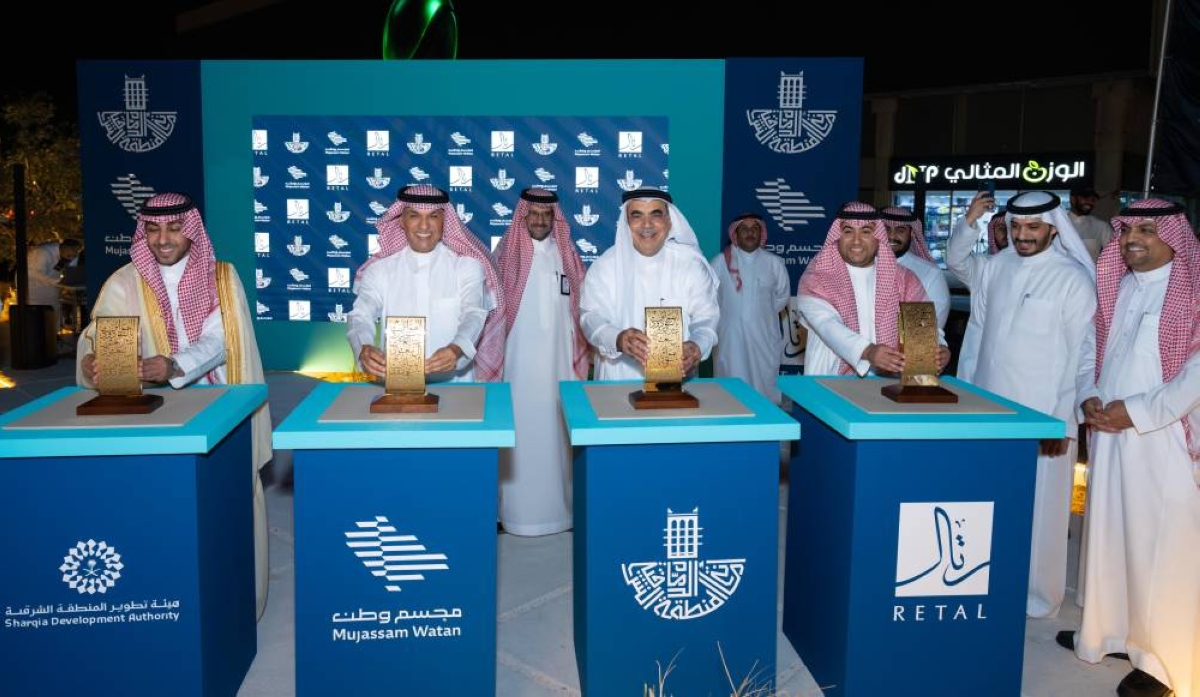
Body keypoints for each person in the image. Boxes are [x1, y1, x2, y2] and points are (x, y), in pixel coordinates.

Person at [76, 193, 273, 620]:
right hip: (154, 412)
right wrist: (92, 357)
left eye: (174, 228)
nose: (163, 239)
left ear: (191, 230)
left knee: (226, 500)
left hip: (219, 404)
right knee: (164, 505)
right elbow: (100, 331)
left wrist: (174, 364)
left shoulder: (222, 277)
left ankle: (238, 602)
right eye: (153, 229)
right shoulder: (124, 281)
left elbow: (221, 340)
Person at [1057, 199, 1200, 697]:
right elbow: (1092, 351)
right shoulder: (1119, 286)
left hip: (1165, 437)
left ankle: (1163, 661)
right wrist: (1089, 395)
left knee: (1162, 545)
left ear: (1175, 237)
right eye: (1127, 230)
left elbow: (1194, 377)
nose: (1133, 238)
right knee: (1110, 533)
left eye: (1147, 229)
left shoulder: (1193, 292)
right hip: (1111, 430)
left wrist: (1134, 412)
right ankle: (1113, 633)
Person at [946, 190, 1096, 619]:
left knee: (1041, 511)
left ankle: (1038, 598)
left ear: (1053, 228)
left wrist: (1062, 423)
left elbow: (1082, 355)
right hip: (991, 410)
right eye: (1016, 226)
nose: (1023, 234)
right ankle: (988, 580)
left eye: (1033, 227)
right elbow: (958, 265)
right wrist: (970, 221)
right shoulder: (998, 266)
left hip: (1043, 415)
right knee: (990, 501)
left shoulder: (1072, 278)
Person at [494, 188, 588, 536]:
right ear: (523, 216)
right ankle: (514, 515)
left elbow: (581, 311)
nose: (539, 220)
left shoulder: (568, 257)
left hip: (559, 367)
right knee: (519, 436)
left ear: (554, 218)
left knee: (557, 437)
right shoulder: (505, 257)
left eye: (545, 214)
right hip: (516, 368)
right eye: (532, 213)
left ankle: (560, 514)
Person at [347, 184, 506, 383]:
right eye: (414, 216)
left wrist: (456, 349)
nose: (424, 226)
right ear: (401, 220)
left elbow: (473, 313)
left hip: (457, 384)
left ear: (444, 221)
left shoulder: (466, 266)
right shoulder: (379, 271)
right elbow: (360, 315)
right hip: (400, 386)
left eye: (433, 216)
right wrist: (364, 346)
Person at [579, 189, 718, 380]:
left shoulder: (690, 265)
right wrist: (618, 338)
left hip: (678, 383)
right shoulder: (605, 266)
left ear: (669, 222)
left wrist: (697, 345)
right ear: (626, 223)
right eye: (637, 216)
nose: (647, 224)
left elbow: (707, 317)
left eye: (656, 214)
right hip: (617, 379)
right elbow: (590, 317)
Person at [796, 202, 948, 377]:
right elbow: (827, 324)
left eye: (866, 232)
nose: (856, 241)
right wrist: (867, 351)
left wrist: (938, 348)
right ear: (838, 235)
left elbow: (921, 325)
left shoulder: (904, 279)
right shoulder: (817, 277)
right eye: (848, 232)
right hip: (830, 377)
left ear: (877, 237)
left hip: (889, 381)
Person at [709, 213, 790, 403]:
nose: (750, 233)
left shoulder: (774, 263)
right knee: (731, 389)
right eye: (744, 229)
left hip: (764, 337)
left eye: (755, 229)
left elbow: (782, 297)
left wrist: (759, 316)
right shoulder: (720, 262)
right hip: (730, 340)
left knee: (765, 385)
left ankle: (767, 419)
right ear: (735, 234)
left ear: (761, 233)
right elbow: (708, 297)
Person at [882, 206, 950, 330]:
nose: (891, 236)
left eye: (900, 230)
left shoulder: (930, 273)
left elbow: (928, 328)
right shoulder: (865, 266)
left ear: (912, 233)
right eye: (886, 229)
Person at [27, 237, 81, 333]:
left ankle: (54, 334)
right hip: (32, 283)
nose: (72, 257)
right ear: (62, 248)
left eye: (75, 254)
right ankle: (36, 335)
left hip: (52, 281)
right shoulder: (43, 253)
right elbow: (36, 274)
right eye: (69, 255)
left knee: (54, 308)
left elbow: (71, 270)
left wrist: (69, 279)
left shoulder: (73, 253)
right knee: (36, 311)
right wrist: (57, 282)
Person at [1068, 185, 1113, 263]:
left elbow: (1112, 255)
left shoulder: (1102, 226)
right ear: (1073, 199)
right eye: (1085, 198)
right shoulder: (1059, 224)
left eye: (1092, 199)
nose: (1089, 202)